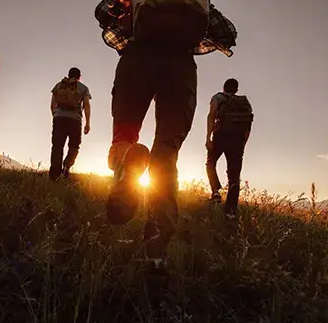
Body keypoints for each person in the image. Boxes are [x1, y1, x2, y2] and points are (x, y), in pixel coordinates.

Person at [94, 0, 238, 267]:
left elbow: (102, 12)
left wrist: (127, 11)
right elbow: (228, 32)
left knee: (124, 135)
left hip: (137, 59)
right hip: (180, 67)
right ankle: (156, 247)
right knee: (166, 154)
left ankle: (129, 155)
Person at [205, 78, 253, 220]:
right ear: (237, 90)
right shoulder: (245, 102)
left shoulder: (218, 97)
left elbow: (211, 116)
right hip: (238, 140)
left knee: (210, 162)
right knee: (234, 175)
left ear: (224, 87)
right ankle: (230, 211)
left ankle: (215, 192)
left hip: (220, 136)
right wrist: (243, 143)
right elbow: (248, 125)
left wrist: (208, 138)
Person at [48, 67, 92, 180]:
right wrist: (87, 123)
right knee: (74, 146)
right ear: (79, 77)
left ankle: (54, 176)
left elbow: (52, 104)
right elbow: (86, 105)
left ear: (68, 75)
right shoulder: (83, 88)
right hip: (75, 121)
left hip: (59, 119)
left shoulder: (59, 85)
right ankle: (67, 165)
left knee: (57, 146)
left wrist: (56, 115)